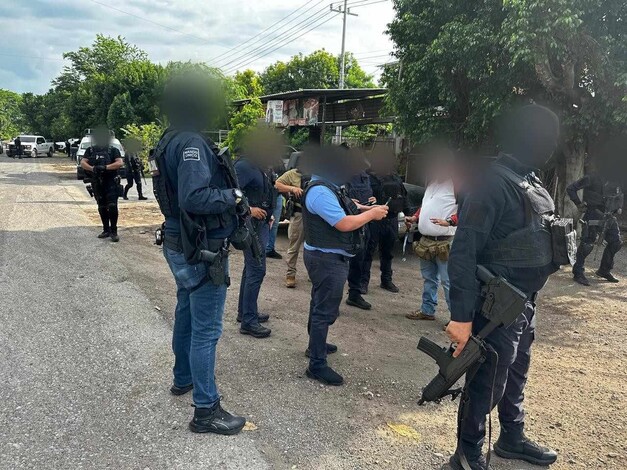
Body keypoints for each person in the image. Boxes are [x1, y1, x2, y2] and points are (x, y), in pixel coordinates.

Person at [446, 104, 561, 470]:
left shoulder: (531, 180)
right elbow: (463, 253)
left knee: (515, 375)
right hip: (494, 307)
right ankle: (467, 454)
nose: (550, 144)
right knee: (486, 384)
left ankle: (511, 437)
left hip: (524, 303)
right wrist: (461, 318)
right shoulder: (490, 183)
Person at [151, 72, 246, 435]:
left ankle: (182, 378)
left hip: (180, 240)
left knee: (186, 310)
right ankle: (206, 410)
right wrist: (234, 197)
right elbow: (194, 197)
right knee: (206, 330)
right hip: (199, 247)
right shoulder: (190, 141)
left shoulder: (168, 139)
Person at [302, 145, 389, 386]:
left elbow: (348, 207)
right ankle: (316, 364)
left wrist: (367, 208)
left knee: (319, 304)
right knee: (324, 311)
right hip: (326, 259)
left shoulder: (329, 187)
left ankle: (315, 346)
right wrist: (371, 216)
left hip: (328, 257)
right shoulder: (320, 191)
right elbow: (343, 222)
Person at [405, 150, 458, 321]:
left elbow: (467, 210)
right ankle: (427, 310)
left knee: (448, 282)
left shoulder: (457, 185)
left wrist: (450, 222)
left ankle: (456, 320)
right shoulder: (432, 183)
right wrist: (415, 217)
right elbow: (425, 205)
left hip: (445, 242)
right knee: (429, 279)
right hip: (426, 241)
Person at [234, 139, 277, 339]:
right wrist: (249, 209)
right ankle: (249, 321)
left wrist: (269, 213)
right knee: (257, 270)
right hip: (251, 226)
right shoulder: (244, 165)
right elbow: (231, 192)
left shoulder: (258, 166)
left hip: (260, 224)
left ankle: (245, 313)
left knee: (251, 269)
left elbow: (265, 192)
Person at [567, 168, 622, 285]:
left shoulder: (615, 179)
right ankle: (578, 272)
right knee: (587, 244)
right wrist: (578, 204)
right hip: (593, 213)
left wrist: (617, 207)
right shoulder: (591, 177)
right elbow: (571, 188)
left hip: (609, 216)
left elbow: (618, 196)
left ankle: (604, 270)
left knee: (616, 242)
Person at [363, 156, 408, 293]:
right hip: (374, 220)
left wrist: (407, 214)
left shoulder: (395, 178)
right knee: (368, 252)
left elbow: (404, 197)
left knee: (388, 252)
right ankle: (363, 283)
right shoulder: (370, 178)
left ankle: (386, 280)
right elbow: (365, 197)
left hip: (391, 218)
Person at [80, 126, 124, 242]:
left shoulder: (113, 150)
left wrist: (106, 167)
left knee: (112, 206)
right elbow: (83, 162)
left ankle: (114, 231)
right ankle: (106, 230)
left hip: (110, 181)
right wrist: (93, 168)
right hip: (97, 182)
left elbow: (119, 163)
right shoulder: (90, 150)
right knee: (102, 207)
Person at [345, 161, 377, 310]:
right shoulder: (340, 177)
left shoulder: (365, 177)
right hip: (346, 222)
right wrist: (347, 200)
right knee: (341, 262)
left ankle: (354, 294)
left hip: (363, 223)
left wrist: (373, 200)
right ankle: (331, 301)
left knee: (360, 260)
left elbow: (370, 194)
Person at [275, 161, 310, 288]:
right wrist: (292, 188)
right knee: (294, 246)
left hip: (314, 216)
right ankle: (290, 274)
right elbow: (277, 184)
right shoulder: (293, 174)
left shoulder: (319, 174)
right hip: (299, 213)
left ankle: (313, 274)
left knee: (313, 247)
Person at [265, 160, 285, 259]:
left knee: (275, 223)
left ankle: (269, 248)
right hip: (265, 196)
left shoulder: (279, 162)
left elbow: (282, 178)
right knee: (265, 222)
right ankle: (261, 248)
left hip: (277, 196)